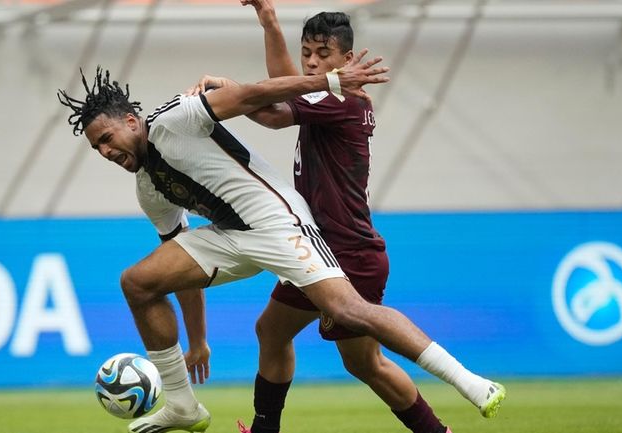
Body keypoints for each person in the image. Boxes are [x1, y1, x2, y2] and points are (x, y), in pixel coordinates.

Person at [54, 56, 489, 433]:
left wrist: (331, 82)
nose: (105, 151)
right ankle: (183, 406)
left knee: (348, 312)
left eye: (106, 139)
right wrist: (198, 341)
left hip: (279, 223)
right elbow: (179, 268)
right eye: (97, 148)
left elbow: (252, 94)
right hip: (231, 238)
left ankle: (469, 381)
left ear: (132, 121)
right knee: (139, 282)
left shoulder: (177, 118)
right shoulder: (148, 189)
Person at [183, 5, 506, 433]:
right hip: (323, 248)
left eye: (323, 54)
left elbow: (274, 113)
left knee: (364, 362)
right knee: (283, 335)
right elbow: (287, 89)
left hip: (347, 252)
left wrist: (230, 89)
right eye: (307, 53)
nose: (313, 62)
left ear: (347, 60)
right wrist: (269, 20)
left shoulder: (340, 99)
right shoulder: (326, 95)